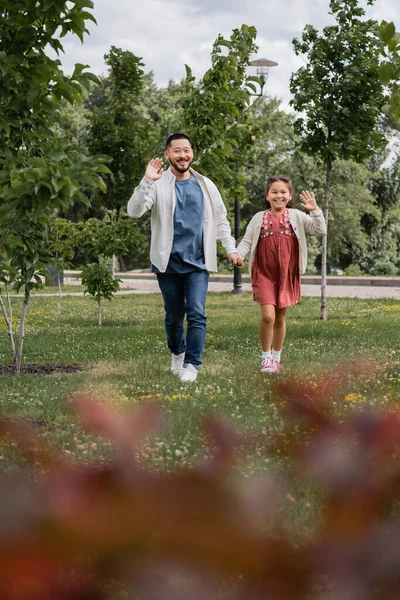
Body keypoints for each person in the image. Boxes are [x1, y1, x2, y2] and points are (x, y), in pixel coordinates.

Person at [127, 133, 242, 383]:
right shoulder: (157, 184)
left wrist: (230, 249)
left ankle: (192, 364)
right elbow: (134, 211)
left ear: (192, 153)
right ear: (167, 154)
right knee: (174, 317)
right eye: (177, 151)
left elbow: (220, 219)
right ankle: (177, 353)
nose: (183, 155)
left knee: (197, 312)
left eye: (187, 150)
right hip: (167, 262)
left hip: (198, 263)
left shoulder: (206, 185)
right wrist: (146, 181)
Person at [236, 175, 326, 374]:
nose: (279, 195)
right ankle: (266, 358)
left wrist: (315, 211)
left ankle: (276, 357)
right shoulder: (259, 217)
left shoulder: (297, 216)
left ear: (290, 195)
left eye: (283, 192)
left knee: (280, 318)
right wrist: (238, 255)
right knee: (268, 316)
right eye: (274, 192)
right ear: (267, 196)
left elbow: (320, 229)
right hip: (264, 272)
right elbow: (247, 241)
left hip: (287, 273)